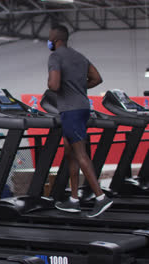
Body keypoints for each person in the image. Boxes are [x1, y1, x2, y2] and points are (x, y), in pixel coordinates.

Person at [47, 24, 113, 218]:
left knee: (80, 153)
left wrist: (53, 85)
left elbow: (54, 84)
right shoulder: (79, 56)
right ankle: (74, 199)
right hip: (83, 107)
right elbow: (97, 78)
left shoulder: (55, 57)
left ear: (56, 40)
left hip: (70, 110)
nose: (48, 41)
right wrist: (77, 86)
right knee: (71, 153)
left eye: (50, 38)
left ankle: (101, 198)